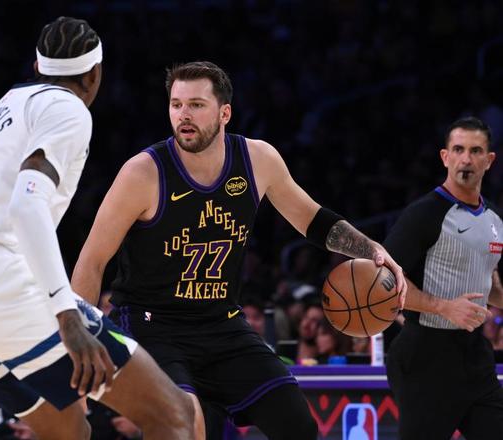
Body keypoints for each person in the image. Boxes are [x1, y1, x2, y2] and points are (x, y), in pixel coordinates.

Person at [71, 61, 407, 440]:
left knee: (297, 423)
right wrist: (78, 343)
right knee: (185, 422)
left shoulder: (257, 160)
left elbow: (312, 220)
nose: (183, 114)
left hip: (222, 323)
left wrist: (370, 247)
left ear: (225, 113)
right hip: (152, 325)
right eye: (176, 104)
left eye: (196, 105)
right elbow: (91, 261)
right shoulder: (142, 173)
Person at [0, 16, 193, 440]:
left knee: (67, 430)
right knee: (173, 414)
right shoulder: (67, 108)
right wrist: (67, 315)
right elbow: (26, 206)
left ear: (37, 66)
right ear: (94, 74)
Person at [384, 116, 503, 439]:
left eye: (476, 151)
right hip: (425, 355)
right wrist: (444, 307)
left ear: (489, 160)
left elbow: (488, 280)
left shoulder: (495, 219)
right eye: (459, 149)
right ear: (445, 157)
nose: (466, 159)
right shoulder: (423, 214)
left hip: (475, 355)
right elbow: (384, 280)